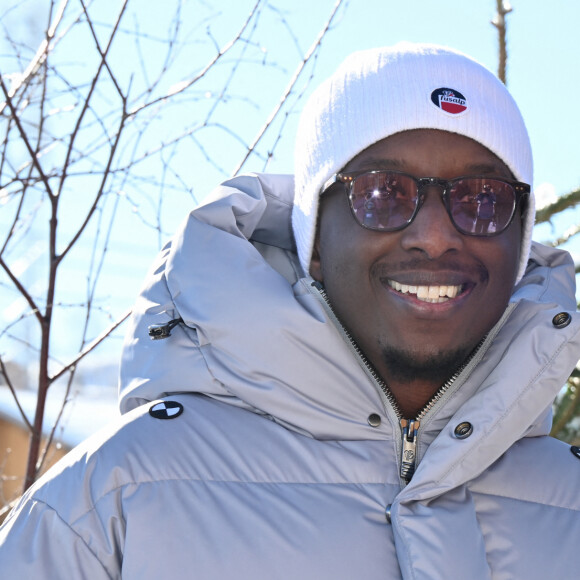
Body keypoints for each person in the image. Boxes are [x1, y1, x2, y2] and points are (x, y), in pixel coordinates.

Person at [1, 42, 579, 579]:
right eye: (382, 193)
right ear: (316, 242)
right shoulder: (114, 499)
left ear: (520, 242)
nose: (434, 236)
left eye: (482, 200)